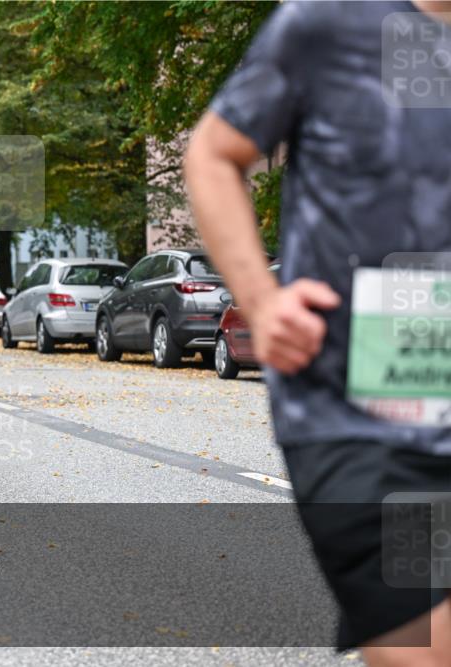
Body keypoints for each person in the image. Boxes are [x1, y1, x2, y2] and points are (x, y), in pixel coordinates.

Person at [183, 2, 451, 665]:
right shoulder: (330, 23)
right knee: (426, 644)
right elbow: (214, 154)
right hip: (370, 424)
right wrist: (262, 300)